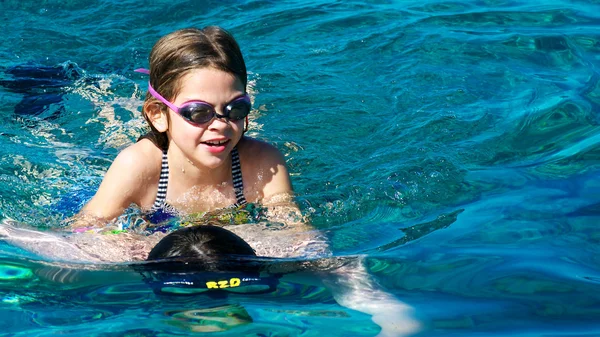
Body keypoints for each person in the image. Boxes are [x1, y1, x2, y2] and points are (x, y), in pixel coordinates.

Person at [74, 26, 301, 229]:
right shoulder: (137, 166)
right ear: (158, 115)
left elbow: (298, 236)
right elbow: (81, 235)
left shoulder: (263, 163)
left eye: (236, 109)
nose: (221, 125)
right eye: (199, 113)